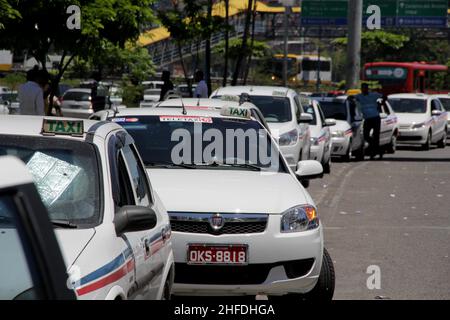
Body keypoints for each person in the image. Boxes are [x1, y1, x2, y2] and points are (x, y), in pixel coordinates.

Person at [355, 83, 385, 160]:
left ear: (367, 89)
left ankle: (374, 152)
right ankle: (376, 148)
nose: (364, 90)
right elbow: (351, 98)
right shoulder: (359, 96)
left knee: (376, 136)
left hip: (375, 118)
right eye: (362, 88)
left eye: (365, 88)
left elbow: (384, 96)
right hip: (367, 119)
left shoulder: (374, 95)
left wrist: (380, 104)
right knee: (366, 135)